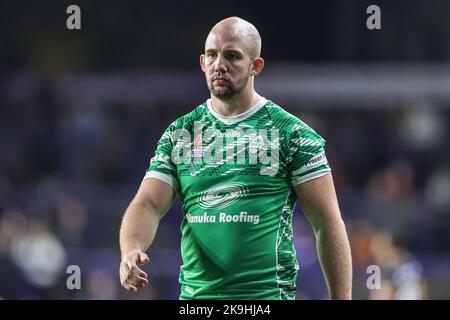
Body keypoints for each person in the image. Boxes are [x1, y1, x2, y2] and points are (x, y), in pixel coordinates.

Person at [119, 16, 352, 300]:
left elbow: (327, 223)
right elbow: (148, 204)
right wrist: (131, 249)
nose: (220, 65)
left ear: (256, 66)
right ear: (203, 62)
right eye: (213, 56)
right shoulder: (180, 133)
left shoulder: (292, 134)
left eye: (232, 56)